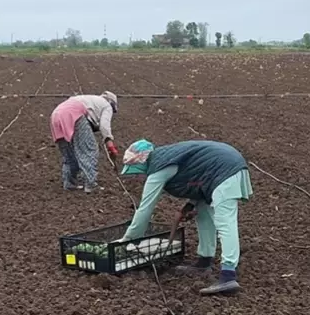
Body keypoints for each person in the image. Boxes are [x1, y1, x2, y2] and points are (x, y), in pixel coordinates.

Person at [119, 139, 252, 295]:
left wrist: (127, 241)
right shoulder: (166, 158)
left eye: (137, 172)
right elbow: (198, 174)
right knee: (204, 213)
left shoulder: (159, 167)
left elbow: (145, 209)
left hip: (225, 169)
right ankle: (204, 262)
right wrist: (189, 206)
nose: (139, 177)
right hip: (219, 169)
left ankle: (228, 276)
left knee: (225, 221)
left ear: (141, 162)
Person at [49, 91, 119, 192]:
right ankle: (91, 184)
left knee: (69, 153)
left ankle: (69, 183)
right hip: (74, 114)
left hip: (55, 115)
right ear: (112, 104)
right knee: (89, 149)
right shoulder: (106, 105)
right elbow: (104, 125)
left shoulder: (90, 100)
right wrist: (109, 143)